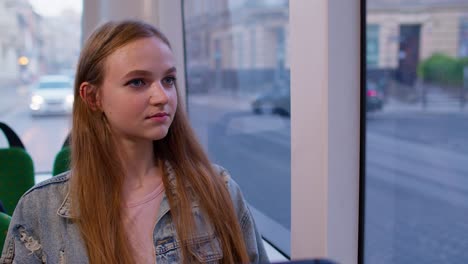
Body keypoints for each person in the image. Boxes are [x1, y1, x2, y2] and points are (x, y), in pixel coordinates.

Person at [1, 20, 269, 264]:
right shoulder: (41, 210)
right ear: (93, 97)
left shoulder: (217, 190)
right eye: (138, 82)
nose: (161, 96)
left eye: (168, 80)